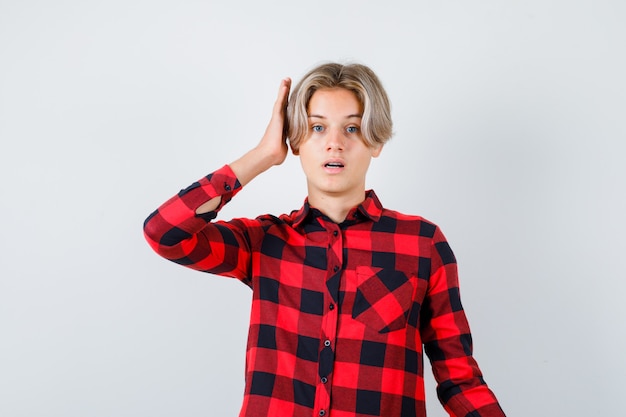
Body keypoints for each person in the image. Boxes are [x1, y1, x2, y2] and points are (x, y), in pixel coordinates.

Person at [143, 62, 506, 417]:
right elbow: (164, 233)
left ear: (375, 142)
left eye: (351, 128)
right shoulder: (264, 242)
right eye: (317, 128)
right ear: (296, 141)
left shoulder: (422, 244)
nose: (334, 143)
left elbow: (459, 379)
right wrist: (264, 155)